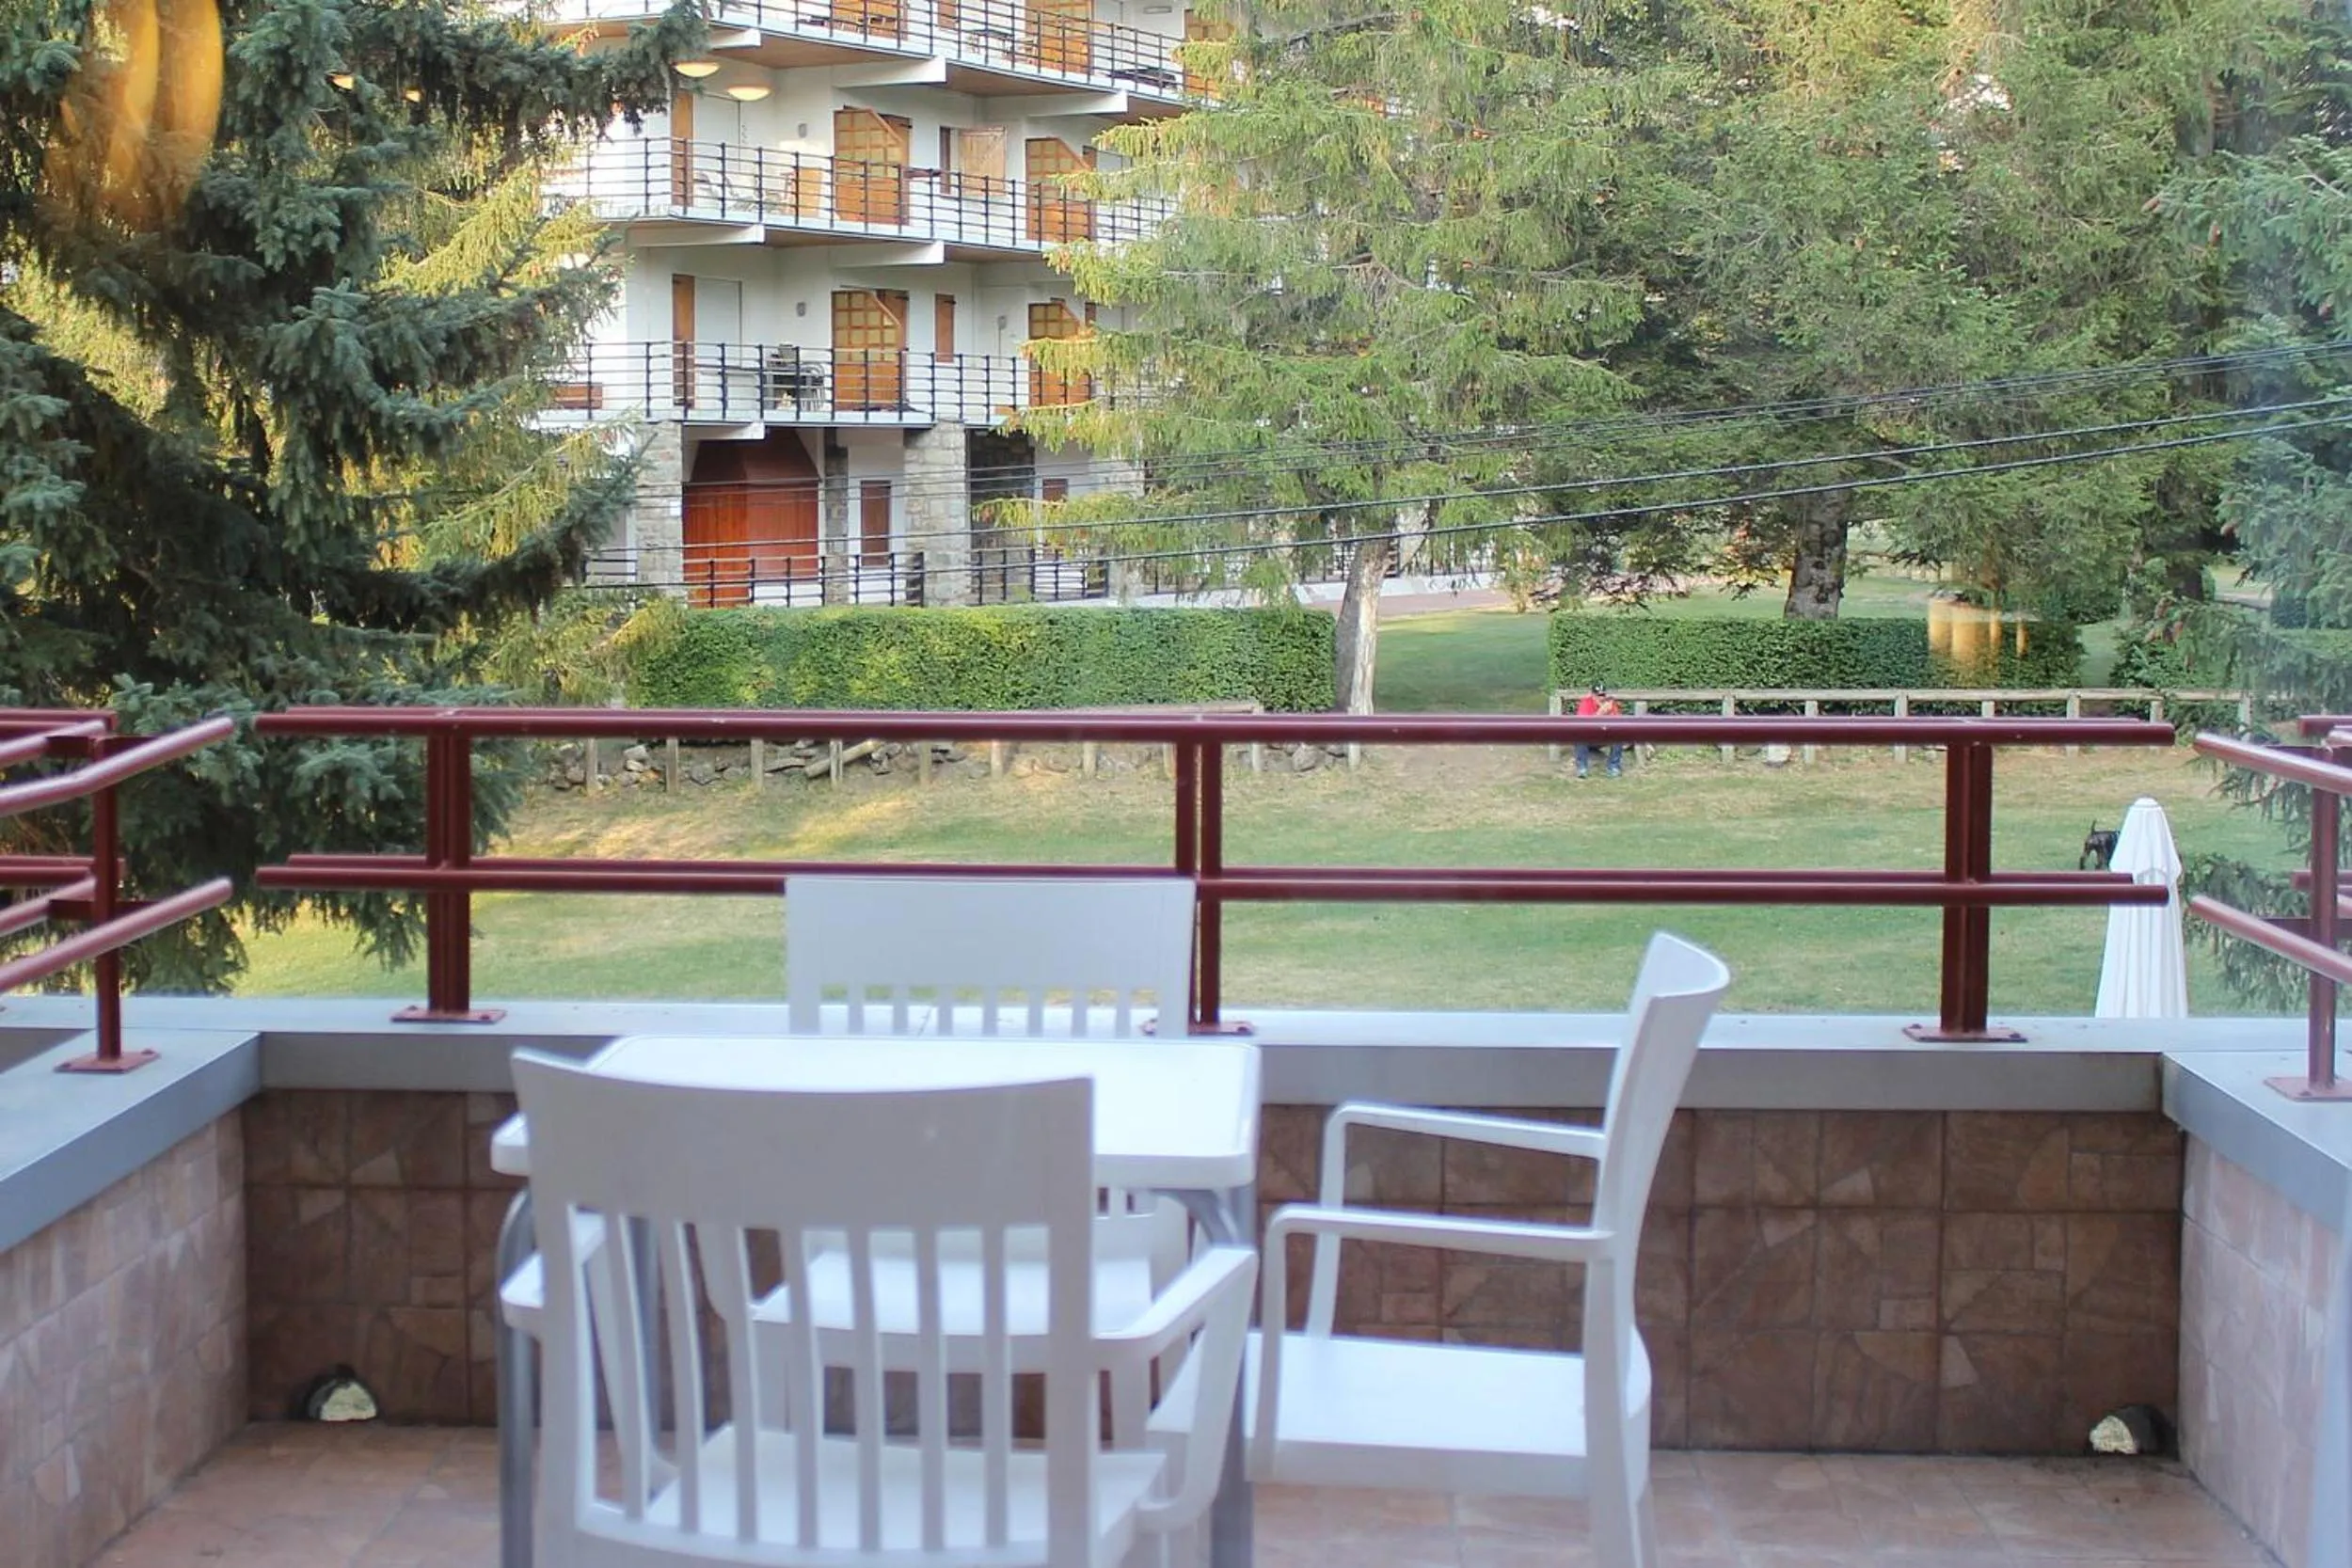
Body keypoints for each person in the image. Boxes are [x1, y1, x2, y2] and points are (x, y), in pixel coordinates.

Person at [1574, 682, 1624, 779]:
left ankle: (1613, 767)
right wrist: (1600, 713)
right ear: (1593, 695)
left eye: (1603, 695)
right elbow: (1582, 724)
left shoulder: (1610, 703)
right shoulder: (1586, 703)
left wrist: (1610, 715)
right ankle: (1582, 768)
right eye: (1598, 695)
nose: (1601, 698)